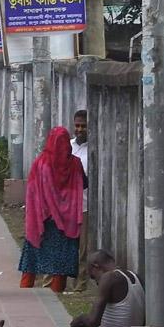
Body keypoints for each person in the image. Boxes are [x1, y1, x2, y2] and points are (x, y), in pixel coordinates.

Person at [19, 126, 85, 293]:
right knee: (60, 260)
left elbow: (32, 191)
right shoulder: (75, 163)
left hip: (43, 219)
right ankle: (57, 291)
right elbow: (84, 183)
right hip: (66, 221)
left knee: (33, 255)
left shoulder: (41, 163)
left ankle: (25, 288)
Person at [70, 250, 146, 327]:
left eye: (93, 277)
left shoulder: (108, 278)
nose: (97, 283)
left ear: (96, 266)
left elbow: (93, 322)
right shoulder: (135, 276)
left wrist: (80, 319)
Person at [71, 110, 90, 291]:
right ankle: (67, 280)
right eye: (77, 125)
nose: (80, 129)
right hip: (67, 207)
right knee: (69, 246)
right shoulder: (67, 146)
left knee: (83, 248)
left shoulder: (92, 150)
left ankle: (81, 284)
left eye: (83, 126)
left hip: (84, 205)